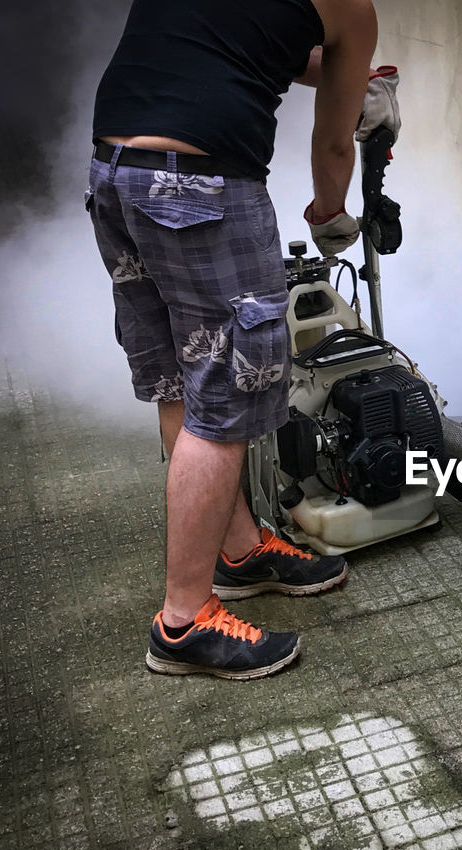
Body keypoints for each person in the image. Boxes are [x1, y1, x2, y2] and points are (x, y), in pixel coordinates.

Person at [87, 0, 396, 679]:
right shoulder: (350, 6)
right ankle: (184, 620)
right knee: (226, 399)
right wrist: (331, 213)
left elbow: (249, 45)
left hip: (116, 172)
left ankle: (239, 550)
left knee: (179, 377)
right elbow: (333, 145)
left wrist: (358, 77)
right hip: (202, 187)